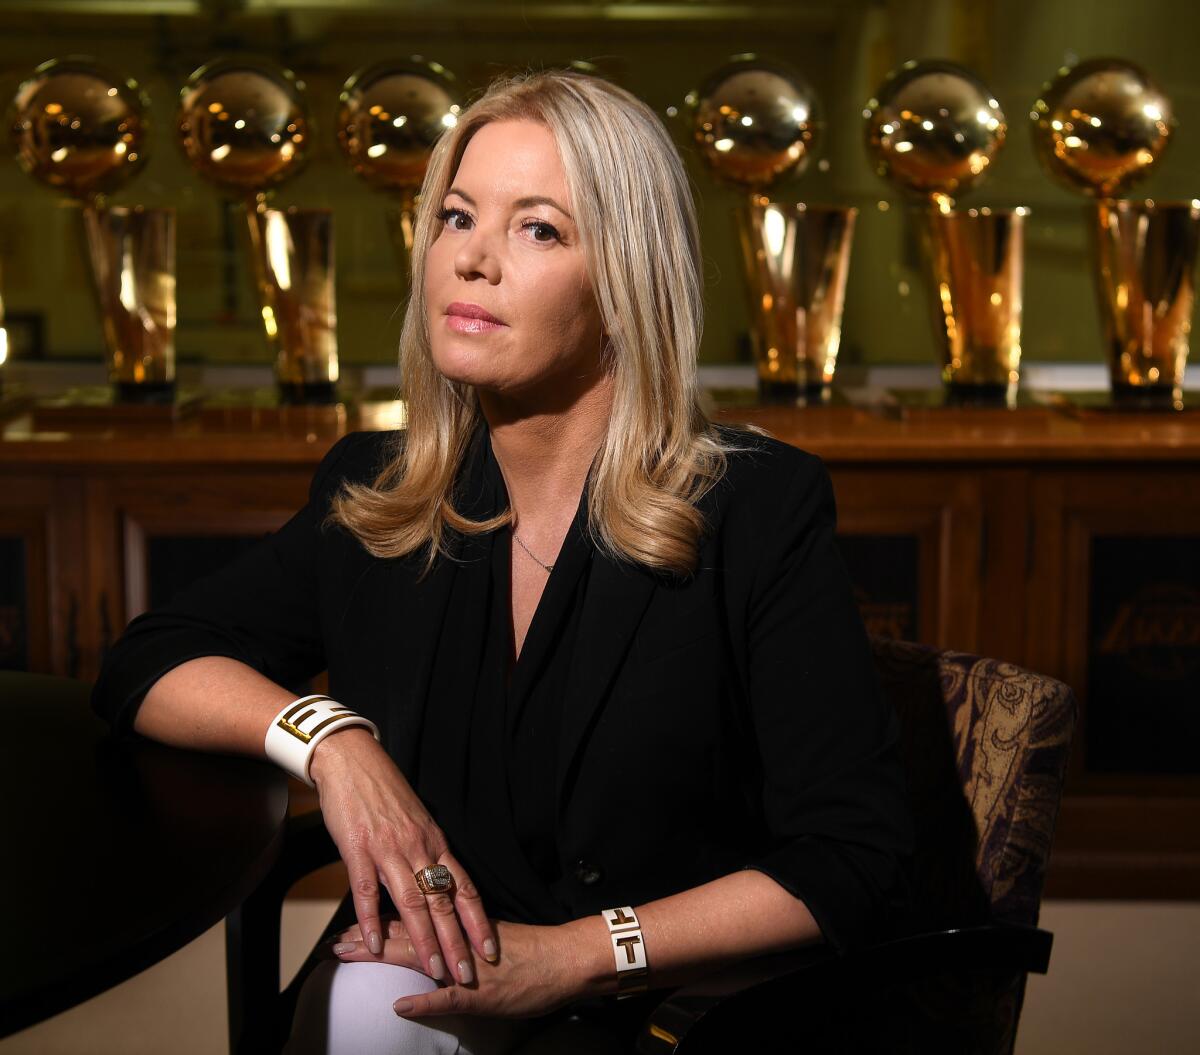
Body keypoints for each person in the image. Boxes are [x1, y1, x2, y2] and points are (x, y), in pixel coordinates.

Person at [91, 69, 913, 1053]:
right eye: (455, 217)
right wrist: (330, 742)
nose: (471, 260)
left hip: (675, 1007)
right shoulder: (382, 491)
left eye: (539, 229)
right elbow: (150, 658)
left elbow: (853, 856)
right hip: (434, 988)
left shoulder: (756, 507)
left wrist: (576, 952)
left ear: (628, 278)